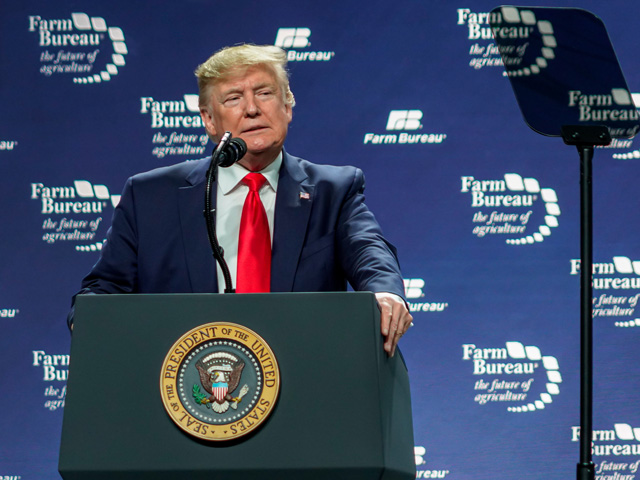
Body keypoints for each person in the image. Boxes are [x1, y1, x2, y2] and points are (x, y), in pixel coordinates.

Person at [71, 44, 412, 356]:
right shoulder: (150, 197)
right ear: (208, 119)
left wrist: (386, 293)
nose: (251, 109)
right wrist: (89, 320)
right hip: (184, 388)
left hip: (304, 377)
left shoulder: (333, 191)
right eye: (233, 98)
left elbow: (370, 252)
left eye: (264, 93)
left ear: (288, 106)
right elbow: (104, 289)